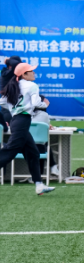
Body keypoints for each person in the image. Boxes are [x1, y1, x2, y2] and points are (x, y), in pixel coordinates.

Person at [0, 63, 54, 195]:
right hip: (22, 121)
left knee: (33, 153)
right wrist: (45, 104)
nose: (34, 73)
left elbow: (2, 102)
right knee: (10, 151)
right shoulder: (32, 85)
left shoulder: (13, 85)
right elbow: (36, 103)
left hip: (16, 121)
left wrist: (14, 109)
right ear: (24, 74)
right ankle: (39, 184)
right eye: (31, 71)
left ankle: (39, 184)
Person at [0, 56, 22, 133]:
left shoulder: (12, 73)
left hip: (15, 104)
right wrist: (8, 60)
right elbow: (17, 64)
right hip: (8, 105)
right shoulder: (7, 73)